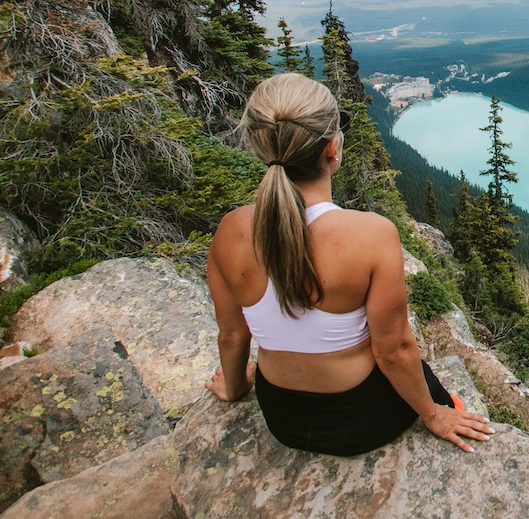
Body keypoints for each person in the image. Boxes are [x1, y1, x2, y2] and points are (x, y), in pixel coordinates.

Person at [204, 72, 494, 455]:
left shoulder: (230, 230)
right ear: (332, 149)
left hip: (282, 418)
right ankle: (452, 408)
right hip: (363, 418)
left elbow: (233, 335)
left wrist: (235, 387)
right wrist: (433, 414)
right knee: (430, 383)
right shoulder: (370, 234)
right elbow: (394, 351)